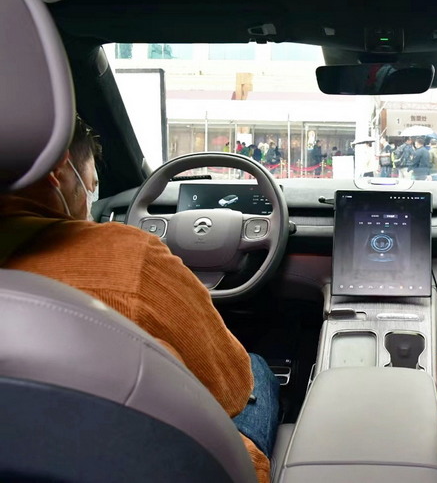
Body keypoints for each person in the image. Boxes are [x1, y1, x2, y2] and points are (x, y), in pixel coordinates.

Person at [0, 116, 279, 482]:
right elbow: (230, 392)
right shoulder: (126, 256)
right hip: (147, 463)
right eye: (91, 183)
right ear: (58, 170)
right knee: (254, 368)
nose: (91, 196)